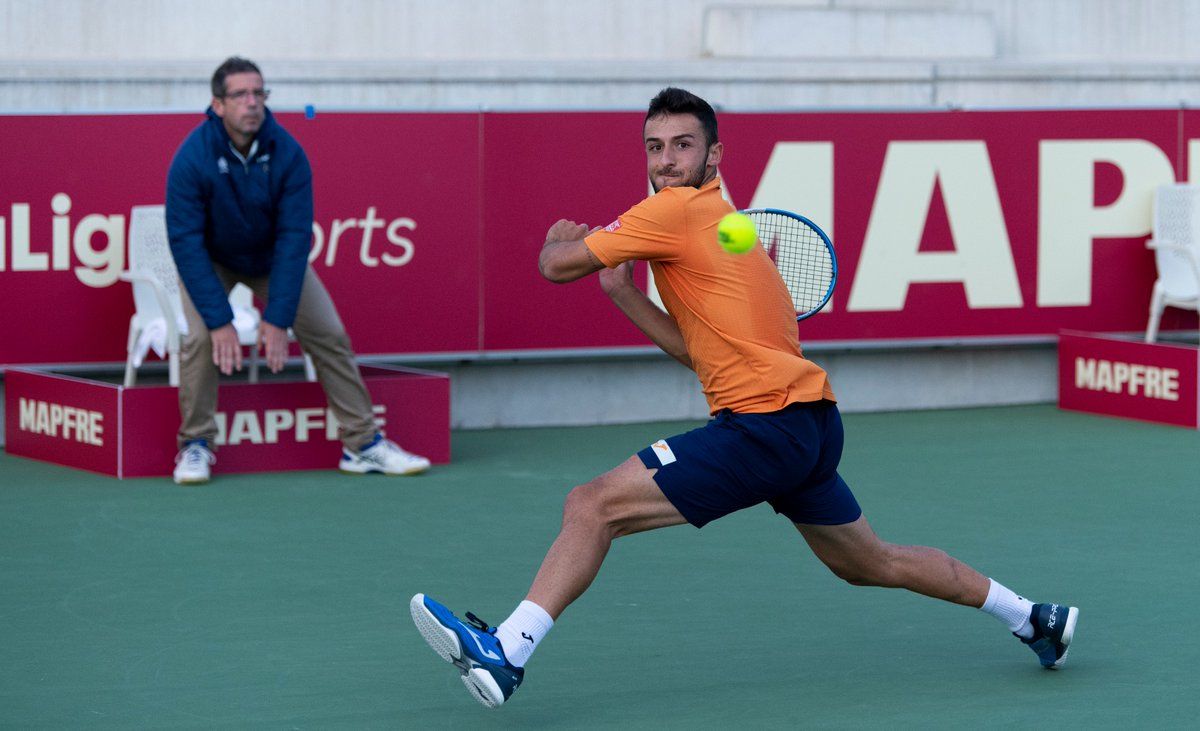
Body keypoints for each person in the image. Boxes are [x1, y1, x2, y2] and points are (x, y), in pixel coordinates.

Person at [410, 88, 1077, 709]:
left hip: (763, 429)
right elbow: (700, 354)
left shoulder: (671, 211)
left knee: (592, 505)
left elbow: (555, 266)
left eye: (682, 145)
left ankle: (507, 652)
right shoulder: (730, 231)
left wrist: (560, 239)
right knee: (871, 561)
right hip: (810, 428)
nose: (666, 161)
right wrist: (624, 294)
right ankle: (1034, 618)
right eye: (654, 146)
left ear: (714, 155)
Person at [165, 56, 430, 485]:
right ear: (218, 105)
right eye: (241, 95)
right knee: (198, 339)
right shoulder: (191, 157)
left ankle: (362, 445)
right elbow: (186, 243)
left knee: (329, 334)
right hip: (212, 260)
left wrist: (278, 316)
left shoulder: (287, 152)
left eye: (259, 93)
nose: (252, 103)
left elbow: (293, 237)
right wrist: (219, 321)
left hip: (272, 259)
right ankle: (196, 444)